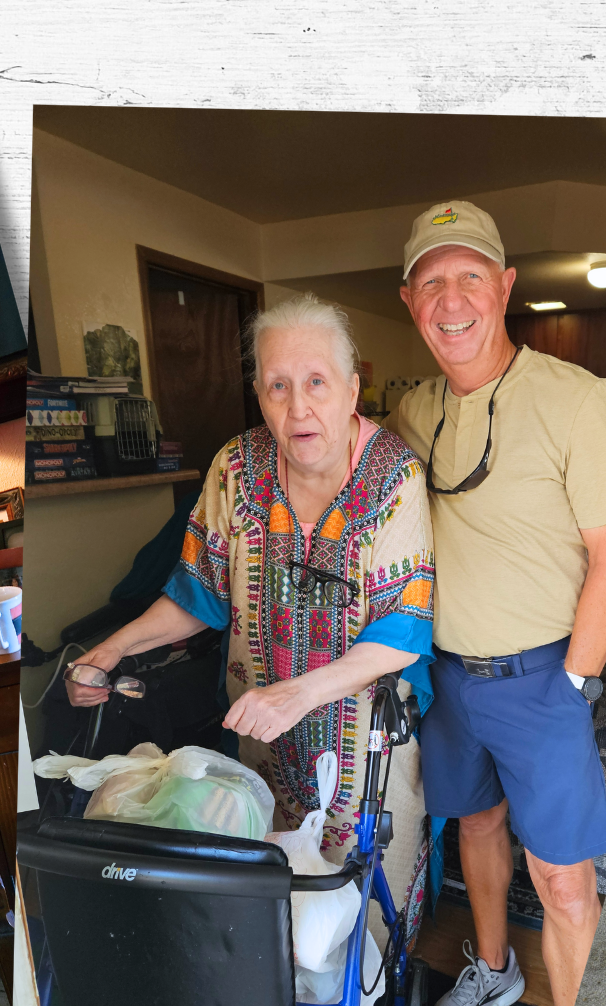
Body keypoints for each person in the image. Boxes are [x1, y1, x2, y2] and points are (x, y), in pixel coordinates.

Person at [66, 293, 436, 941]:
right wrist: (109, 650)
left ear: (352, 389)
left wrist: (303, 692)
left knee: (362, 898)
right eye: (277, 386)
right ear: (260, 395)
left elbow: (403, 627)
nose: (298, 407)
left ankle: (372, 999)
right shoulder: (236, 469)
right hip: (262, 735)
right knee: (275, 892)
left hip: (366, 738)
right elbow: (197, 592)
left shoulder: (393, 478)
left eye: (317, 382)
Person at [384, 201, 606, 1006]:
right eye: (431, 282)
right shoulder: (410, 414)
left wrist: (575, 684)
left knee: (565, 880)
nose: (451, 300)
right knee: (476, 827)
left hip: (544, 677)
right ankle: (493, 969)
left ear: (504, 288)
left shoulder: (581, 400)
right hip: (446, 676)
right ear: (410, 298)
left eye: (468, 277)